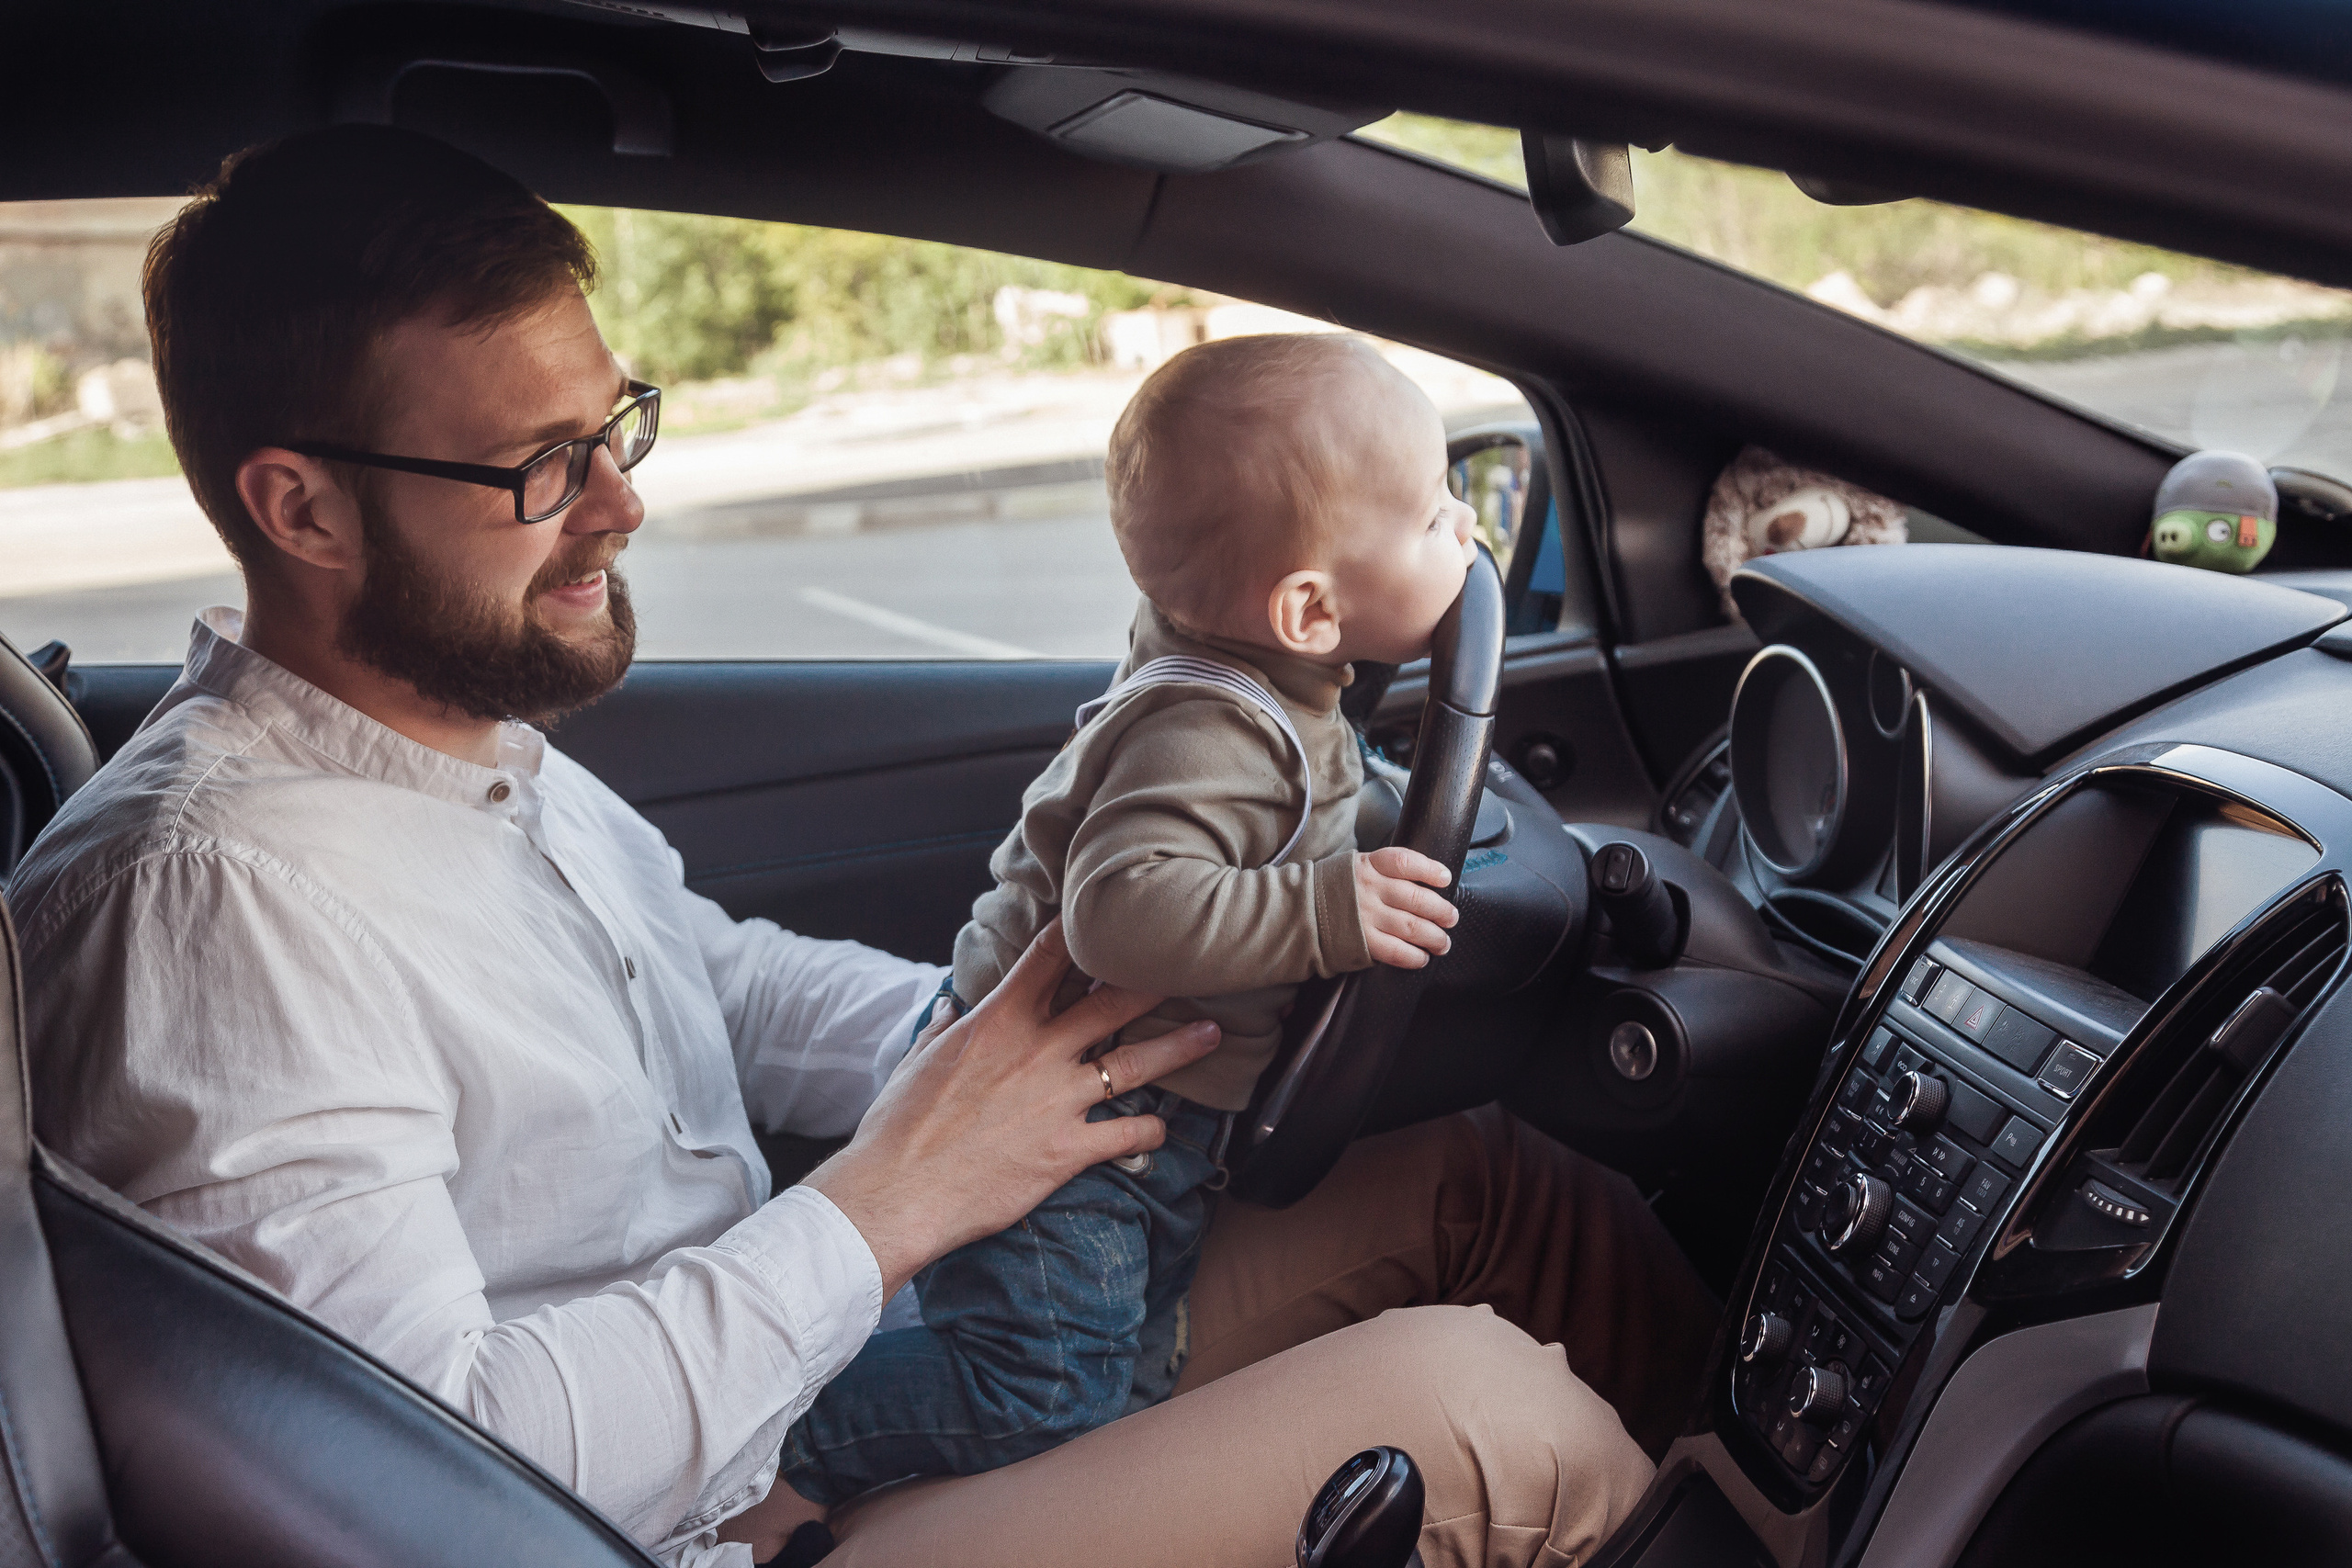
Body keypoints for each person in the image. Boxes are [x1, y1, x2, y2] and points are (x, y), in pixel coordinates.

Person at [3, 125, 1718, 1568]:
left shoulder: (460, 746)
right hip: (713, 1524)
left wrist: (1009, 1060)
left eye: (619, 424)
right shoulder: (211, 909)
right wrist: (894, 1200)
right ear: (300, 507)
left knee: (1472, 1173)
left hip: (810, 1345)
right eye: (542, 465)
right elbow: (432, 1472)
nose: (622, 500)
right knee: (1495, 1424)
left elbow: (719, 987)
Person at [779, 333, 1481, 1506]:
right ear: (1308, 608)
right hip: (1059, 1117)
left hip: (1144, 1116)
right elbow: (1118, 913)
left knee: (1129, 1374)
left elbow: (1313, 797)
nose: (1463, 528)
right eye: (1430, 516)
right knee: (1044, 1394)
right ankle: (786, 1442)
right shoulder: (1205, 731)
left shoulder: (1267, 671)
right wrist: (1326, 907)